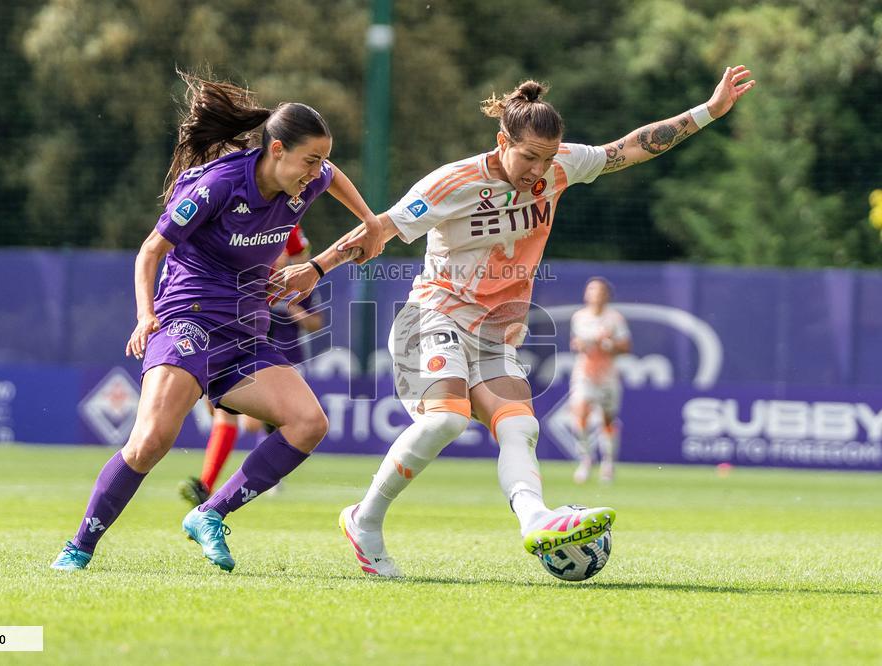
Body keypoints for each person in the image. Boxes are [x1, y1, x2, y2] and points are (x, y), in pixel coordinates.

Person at [271, 65, 756, 577]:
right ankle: (363, 521)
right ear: (503, 141)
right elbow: (380, 230)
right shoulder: (453, 182)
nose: (538, 171)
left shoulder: (561, 166)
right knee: (446, 418)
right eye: (529, 156)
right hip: (432, 314)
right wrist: (316, 267)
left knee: (520, 426)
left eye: (548, 158)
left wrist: (709, 111)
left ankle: (535, 523)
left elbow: (630, 147)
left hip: (494, 330)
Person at [51, 72, 383, 571]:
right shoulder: (220, 183)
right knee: (151, 441)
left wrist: (371, 221)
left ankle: (210, 514)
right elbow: (150, 251)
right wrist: (145, 316)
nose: (317, 171)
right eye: (309, 160)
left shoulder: (306, 181)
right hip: (190, 319)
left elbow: (334, 176)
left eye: (320, 159)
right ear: (276, 150)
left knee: (308, 423)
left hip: (247, 330)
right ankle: (78, 546)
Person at [179, 225, 324, 505]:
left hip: (281, 356)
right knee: (227, 414)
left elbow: (316, 320)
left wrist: (296, 309)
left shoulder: (295, 278)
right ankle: (207, 486)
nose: (282, 256)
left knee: (251, 421)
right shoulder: (246, 270)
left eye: (286, 251)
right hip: (236, 343)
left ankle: (255, 478)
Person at [569, 277, 631, 484]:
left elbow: (625, 347)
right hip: (584, 374)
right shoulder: (579, 317)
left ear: (606, 295)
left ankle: (608, 463)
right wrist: (581, 345)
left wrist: (607, 344)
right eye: (591, 290)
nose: (594, 294)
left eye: (598, 291)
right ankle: (586, 460)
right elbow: (576, 344)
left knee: (607, 420)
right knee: (581, 415)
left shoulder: (615, 319)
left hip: (607, 376)